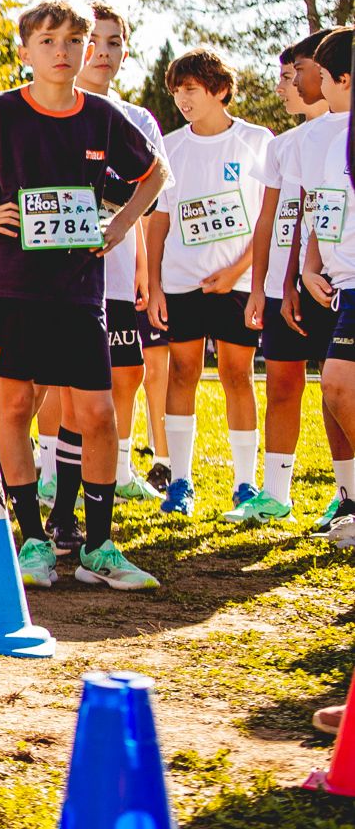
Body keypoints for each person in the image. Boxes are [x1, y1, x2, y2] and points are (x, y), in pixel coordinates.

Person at [0, 1, 167, 591]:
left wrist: (122, 224)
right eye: (47, 41)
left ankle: (99, 548)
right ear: (25, 52)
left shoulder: (103, 117)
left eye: (73, 40)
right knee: (13, 409)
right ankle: (34, 542)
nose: (62, 51)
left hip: (79, 291)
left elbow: (155, 174)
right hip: (11, 288)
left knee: (98, 414)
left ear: (87, 47)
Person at [144, 47, 274, 519]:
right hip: (182, 283)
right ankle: (180, 481)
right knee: (182, 374)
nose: (182, 99)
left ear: (219, 90)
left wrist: (238, 272)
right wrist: (155, 285)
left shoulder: (257, 141)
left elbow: (268, 216)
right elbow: (158, 221)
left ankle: (245, 484)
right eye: (176, 91)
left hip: (236, 283)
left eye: (191, 89)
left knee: (239, 375)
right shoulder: (169, 147)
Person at [245, 32, 351, 525]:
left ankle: (347, 492)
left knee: (338, 384)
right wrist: (292, 278)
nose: (291, 83)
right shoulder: (299, 142)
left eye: (304, 72)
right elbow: (309, 215)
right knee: (324, 383)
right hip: (319, 281)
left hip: (342, 282)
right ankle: (304, 495)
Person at [70, 7, 167, 504]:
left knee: (127, 371)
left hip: (119, 266)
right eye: (94, 41)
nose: (103, 52)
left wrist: (144, 268)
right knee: (63, 379)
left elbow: (149, 196)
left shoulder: (138, 118)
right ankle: (55, 469)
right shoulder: (55, 108)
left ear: (125, 52)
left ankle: (122, 467)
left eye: (114, 42)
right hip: (64, 271)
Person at [293, 31, 355, 542]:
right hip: (341, 285)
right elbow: (321, 209)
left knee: (336, 380)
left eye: (322, 76)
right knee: (336, 384)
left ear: (343, 79)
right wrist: (310, 267)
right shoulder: (335, 140)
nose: (316, 84)